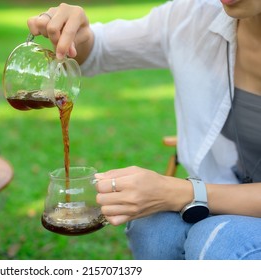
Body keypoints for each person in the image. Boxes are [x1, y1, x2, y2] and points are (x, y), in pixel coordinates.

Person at [27, 0, 261, 260]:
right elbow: (96, 51)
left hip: (224, 210)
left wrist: (181, 193)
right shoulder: (193, 16)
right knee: (152, 227)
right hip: (221, 194)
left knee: (221, 240)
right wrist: (75, 36)